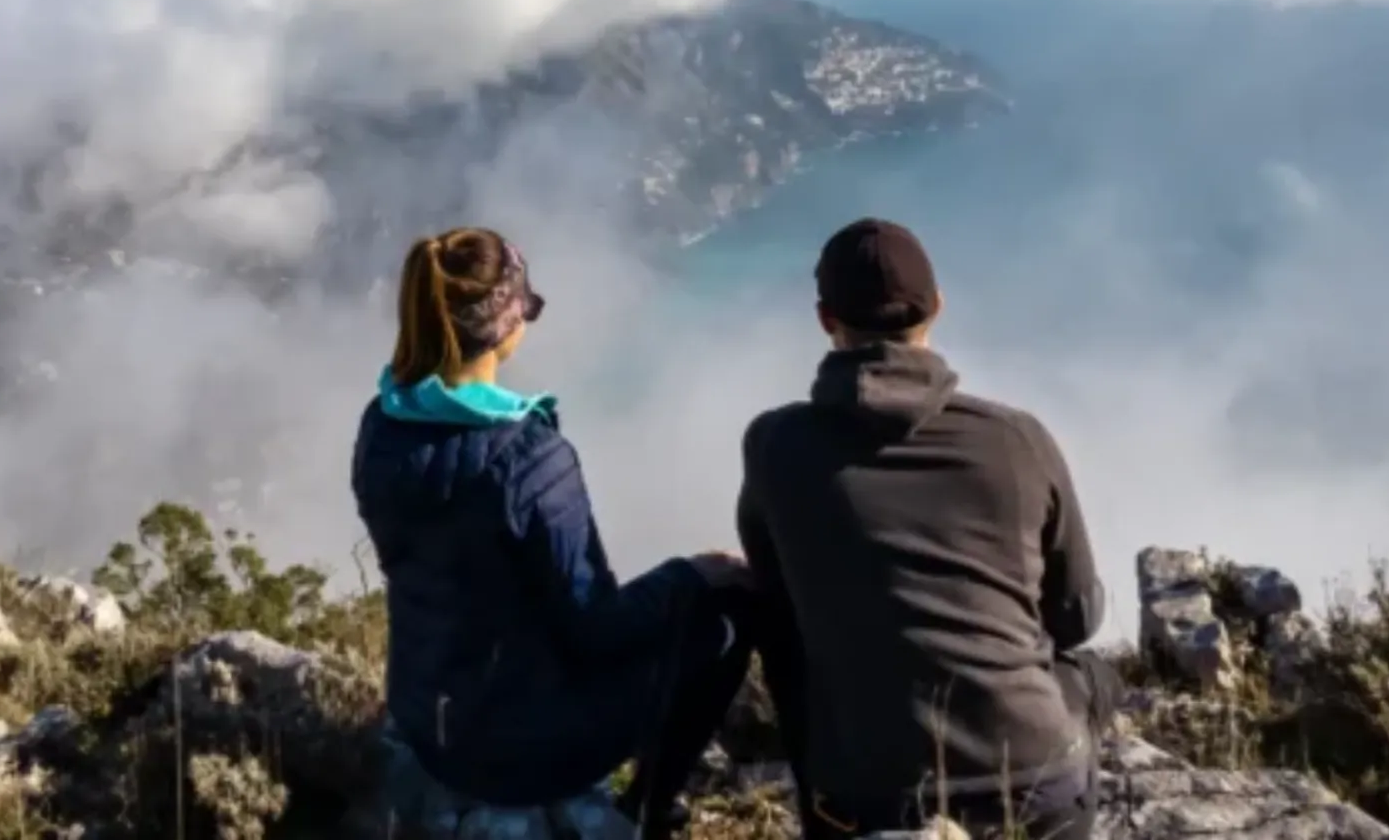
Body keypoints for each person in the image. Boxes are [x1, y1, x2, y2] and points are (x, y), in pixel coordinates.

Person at [352, 227, 755, 839]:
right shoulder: (530, 458)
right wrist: (691, 574)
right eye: (527, 307)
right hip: (523, 752)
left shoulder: (381, 427)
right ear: (507, 324)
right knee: (723, 624)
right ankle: (650, 813)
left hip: (426, 719)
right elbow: (597, 628)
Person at [736, 218, 1120, 840]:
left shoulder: (776, 446)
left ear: (825, 318)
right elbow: (1074, 617)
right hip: (1036, 790)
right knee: (1094, 675)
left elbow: (776, 602)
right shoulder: (1017, 439)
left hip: (862, 802)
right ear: (937, 308)